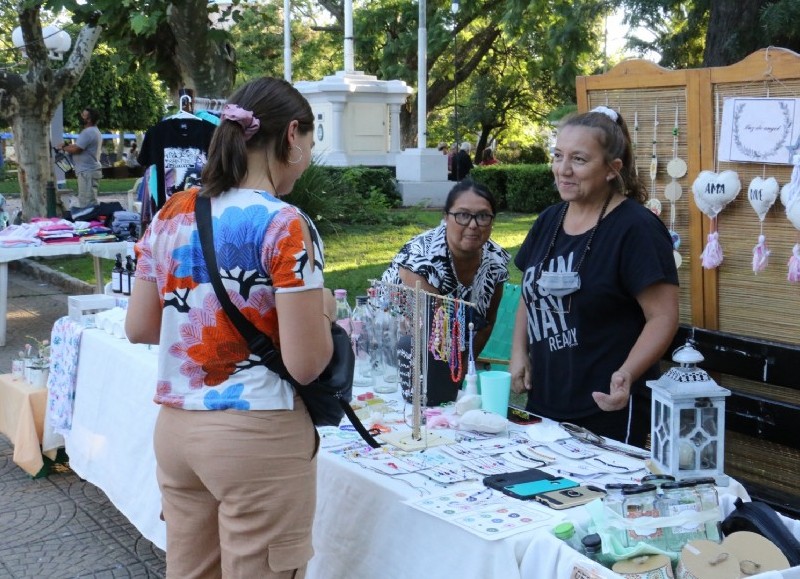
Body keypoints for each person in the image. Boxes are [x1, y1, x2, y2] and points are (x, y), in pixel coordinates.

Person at [125, 76, 336, 578]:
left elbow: (139, 326)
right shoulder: (285, 223)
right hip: (256, 436)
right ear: (291, 136)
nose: (307, 154)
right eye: (309, 141)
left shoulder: (172, 213)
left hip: (177, 431)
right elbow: (307, 364)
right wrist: (324, 309)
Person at [509, 106, 679, 448]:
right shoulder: (549, 219)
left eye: (579, 159)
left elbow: (663, 316)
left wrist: (628, 375)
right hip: (546, 399)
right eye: (558, 156)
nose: (563, 170)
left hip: (607, 405)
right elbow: (531, 292)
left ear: (612, 170)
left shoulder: (637, 229)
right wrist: (518, 352)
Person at [382, 178, 510, 405]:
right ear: (445, 217)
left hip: (442, 352)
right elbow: (435, 334)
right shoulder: (422, 259)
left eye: (483, 216)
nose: (473, 225)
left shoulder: (496, 262)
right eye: (462, 215)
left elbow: (486, 322)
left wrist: (458, 376)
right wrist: (450, 379)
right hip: (395, 352)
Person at [58, 108, 103, 208]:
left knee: (87, 203)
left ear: (89, 119)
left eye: (83, 115)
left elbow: (77, 149)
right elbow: (78, 146)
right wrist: (67, 147)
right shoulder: (93, 131)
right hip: (88, 171)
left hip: (87, 172)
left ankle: (90, 222)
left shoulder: (88, 132)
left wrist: (63, 147)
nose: (81, 117)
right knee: (87, 200)